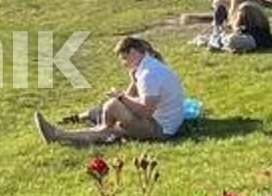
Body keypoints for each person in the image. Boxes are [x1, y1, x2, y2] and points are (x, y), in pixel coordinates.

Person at [34, 36, 186, 147]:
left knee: (112, 108)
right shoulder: (147, 68)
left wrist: (121, 97)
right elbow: (136, 101)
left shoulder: (149, 74)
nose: (124, 64)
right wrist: (132, 84)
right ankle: (94, 131)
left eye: (125, 59)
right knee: (111, 114)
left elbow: (145, 111)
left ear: (134, 52)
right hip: (162, 122)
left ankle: (59, 135)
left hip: (161, 129)